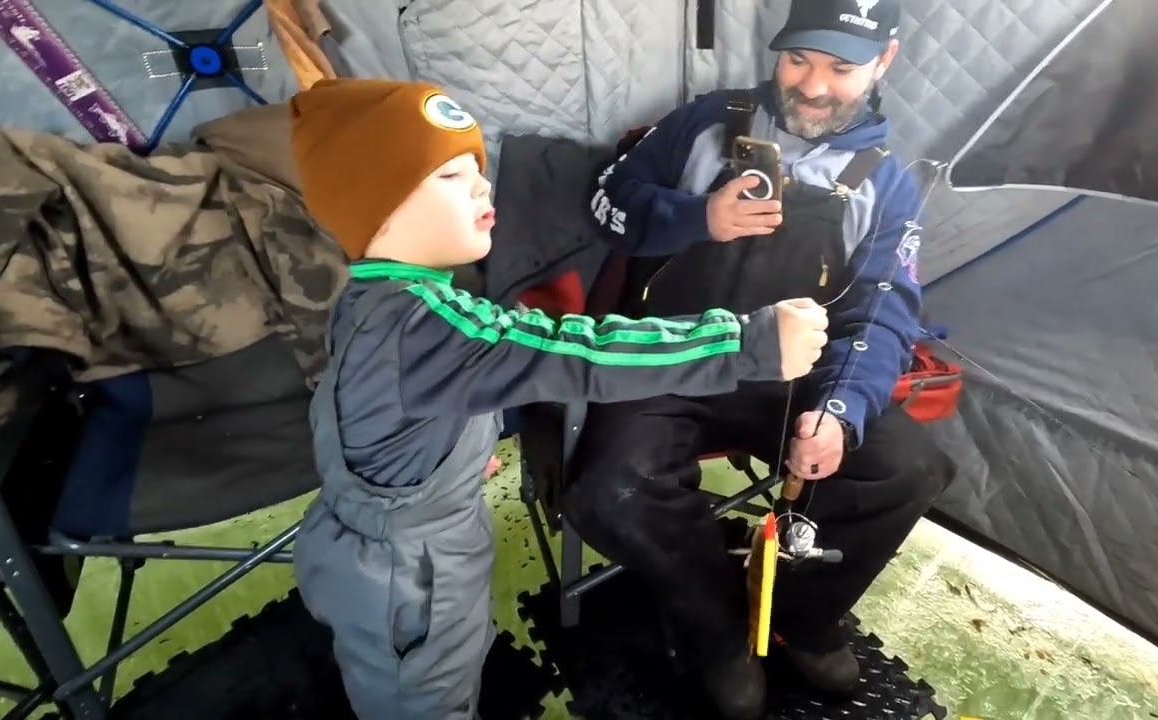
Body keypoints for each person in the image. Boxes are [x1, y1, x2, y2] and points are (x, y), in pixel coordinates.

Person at [283, 78, 833, 720]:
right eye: (450, 176)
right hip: (412, 572)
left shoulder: (368, 298)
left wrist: (453, 449)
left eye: (477, 170)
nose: (482, 187)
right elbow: (579, 351)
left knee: (425, 668)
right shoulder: (429, 324)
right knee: (423, 694)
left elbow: (361, 409)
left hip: (370, 533)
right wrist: (749, 342)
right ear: (377, 202)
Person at [563, 1, 957, 718]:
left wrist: (839, 409)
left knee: (910, 470)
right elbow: (605, 201)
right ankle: (719, 627)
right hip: (672, 355)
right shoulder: (707, 120)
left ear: (884, 62)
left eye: (842, 68)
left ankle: (799, 618)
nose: (812, 86)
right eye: (798, 59)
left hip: (791, 371)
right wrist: (697, 217)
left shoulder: (887, 182)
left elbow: (882, 310)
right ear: (777, 51)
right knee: (606, 492)